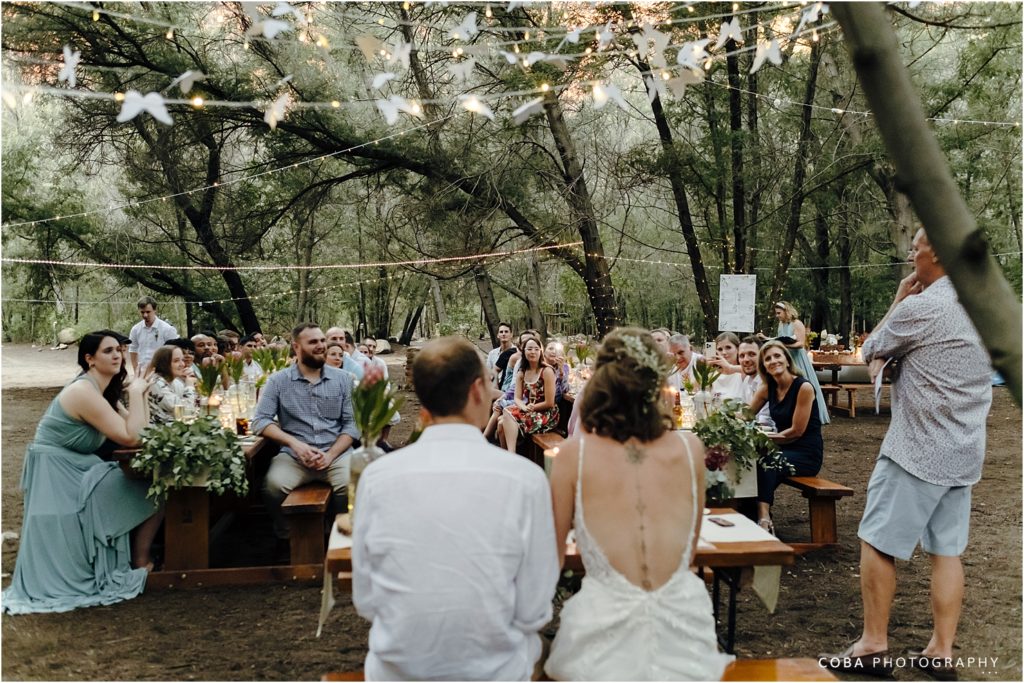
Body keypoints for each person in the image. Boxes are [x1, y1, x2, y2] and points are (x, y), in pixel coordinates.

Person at [821, 228, 993, 678]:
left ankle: (872, 645)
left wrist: (899, 300)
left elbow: (870, 348)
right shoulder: (983, 307)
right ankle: (941, 651)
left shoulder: (923, 307)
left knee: (877, 541)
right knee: (947, 551)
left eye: (916, 249)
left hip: (916, 450)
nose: (912, 256)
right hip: (964, 450)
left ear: (938, 253)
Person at [353, 336, 558, 680]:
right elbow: (534, 609)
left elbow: (366, 599)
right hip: (494, 671)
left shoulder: (376, 478)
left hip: (399, 670)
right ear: (477, 390)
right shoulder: (526, 480)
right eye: (490, 384)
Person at [545, 328, 733, 681]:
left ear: (601, 381)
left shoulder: (573, 456)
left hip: (601, 632)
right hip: (683, 630)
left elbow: (551, 558)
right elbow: (689, 550)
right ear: (658, 381)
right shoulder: (690, 449)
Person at [2, 332, 164, 615]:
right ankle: (140, 560)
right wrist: (135, 392)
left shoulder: (102, 392)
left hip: (80, 468)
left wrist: (142, 395)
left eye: (119, 350)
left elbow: (143, 433)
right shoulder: (83, 392)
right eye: (108, 351)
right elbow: (132, 438)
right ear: (90, 359)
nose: (117, 355)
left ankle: (140, 558)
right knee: (152, 485)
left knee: (154, 484)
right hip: (58, 474)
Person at [251, 324, 359, 549]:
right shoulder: (278, 381)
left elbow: (352, 425)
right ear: (296, 347)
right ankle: (287, 534)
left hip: (336, 454)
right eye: (313, 342)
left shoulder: (344, 379)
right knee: (272, 487)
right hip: (294, 456)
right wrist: (295, 444)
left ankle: (337, 533)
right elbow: (260, 421)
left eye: (322, 340)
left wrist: (330, 455)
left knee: (351, 486)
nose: (321, 346)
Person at [749, 340, 823, 534]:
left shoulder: (804, 387)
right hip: (782, 448)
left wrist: (765, 440)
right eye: (768, 359)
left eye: (777, 356)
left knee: (767, 460)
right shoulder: (767, 388)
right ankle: (748, 511)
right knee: (750, 460)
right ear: (764, 366)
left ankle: (764, 519)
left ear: (787, 360)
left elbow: (796, 431)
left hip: (806, 453)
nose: (773, 361)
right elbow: (745, 415)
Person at [773, 301, 830, 425]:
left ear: (786, 311)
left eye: (779, 313)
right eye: (776, 313)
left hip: (798, 358)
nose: (777, 316)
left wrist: (786, 344)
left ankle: (812, 413)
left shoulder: (797, 323)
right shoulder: (781, 325)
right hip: (786, 357)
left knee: (802, 384)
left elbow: (800, 343)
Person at [500, 337, 559, 453]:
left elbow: (550, 403)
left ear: (541, 352)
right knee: (501, 423)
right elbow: (517, 398)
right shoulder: (522, 372)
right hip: (528, 409)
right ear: (524, 351)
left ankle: (511, 454)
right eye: (529, 349)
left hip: (545, 413)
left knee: (505, 417)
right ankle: (508, 456)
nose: (533, 352)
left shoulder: (547, 371)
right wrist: (523, 406)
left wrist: (531, 407)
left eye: (536, 349)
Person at [128, 295, 178, 377]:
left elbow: (174, 352)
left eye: (148, 312)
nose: (145, 315)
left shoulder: (167, 329)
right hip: (142, 374)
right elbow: (133, 350)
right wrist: (136, 371)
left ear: (155, 310)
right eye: (142, 312)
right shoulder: (135, 329)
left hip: (161, 373)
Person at [147, 345, 197, 424]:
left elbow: (196, 405)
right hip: (160, 429)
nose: (182, 364)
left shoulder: (176, 381)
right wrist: (189, 386)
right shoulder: (156, 383)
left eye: (182, 360)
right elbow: (185, 411)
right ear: (164, 364)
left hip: (176, 426)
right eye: (176, 361)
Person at [738, 336, 774, 429]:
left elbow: (765, 422)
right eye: (742, 356)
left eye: (752, 354)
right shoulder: (746, 380)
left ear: (762, 357)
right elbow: (744, 413)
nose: (746, 359)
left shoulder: (769, 381)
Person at [707, 331, 746, 401]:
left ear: (737, 349)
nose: (724, 352)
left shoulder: (743, 372)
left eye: (728, 347)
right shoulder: (712, 373)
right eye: (720, 349)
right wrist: (704, 369)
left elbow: (756, 369)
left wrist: (730, 368)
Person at [486, 322, 516, 386]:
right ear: (498, 335)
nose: (503, 334)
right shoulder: (492, 354)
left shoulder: (516, 352)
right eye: (501, 332)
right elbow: (488, 373)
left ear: (511, 334)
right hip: (495, 386)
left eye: (506, 332)